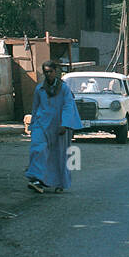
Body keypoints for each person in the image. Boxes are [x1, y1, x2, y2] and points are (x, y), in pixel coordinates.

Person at [25, 60, 83, 193]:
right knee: (38, 149)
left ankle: (59, 183)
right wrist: (32, 125)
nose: (48, 74)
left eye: (50, 71)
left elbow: (68, 107)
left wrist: (65, 124)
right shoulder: (39, 89)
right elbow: (35, 107)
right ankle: (36, 179)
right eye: (46, 72)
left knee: (59, 155)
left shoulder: (64, 89)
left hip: (59, 126)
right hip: (42, 124)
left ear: (56, 72)